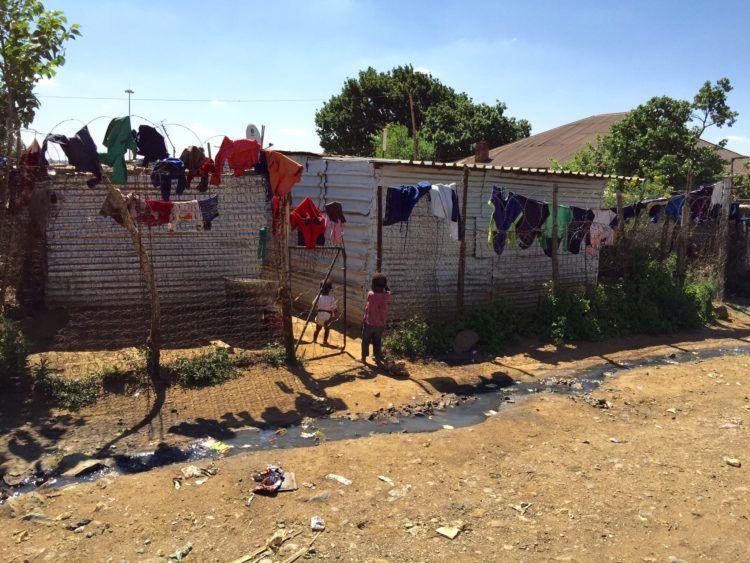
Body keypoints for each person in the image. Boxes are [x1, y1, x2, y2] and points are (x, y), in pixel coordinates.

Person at [362, 273, 391, 365]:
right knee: (377, 342)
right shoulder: (386, 296)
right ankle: (377, 358)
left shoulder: (371, 295)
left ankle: (363, 358)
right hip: (380, 325)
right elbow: (388, 291)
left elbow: (368, 301)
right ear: (384, 286)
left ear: (373, 285)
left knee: (365, 341)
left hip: (369, 323)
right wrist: (385, 287)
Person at [313, 281, 338, 345]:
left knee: (317, 329)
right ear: (329, 290)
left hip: (319, 314)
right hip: (327, 316)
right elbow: (335, 309)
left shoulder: (318, 297)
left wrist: (316, 310)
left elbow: (314, 304)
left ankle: (314, 340)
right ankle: (325, 341)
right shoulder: (331, 298)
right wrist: (335, 315)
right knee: (327, 329)